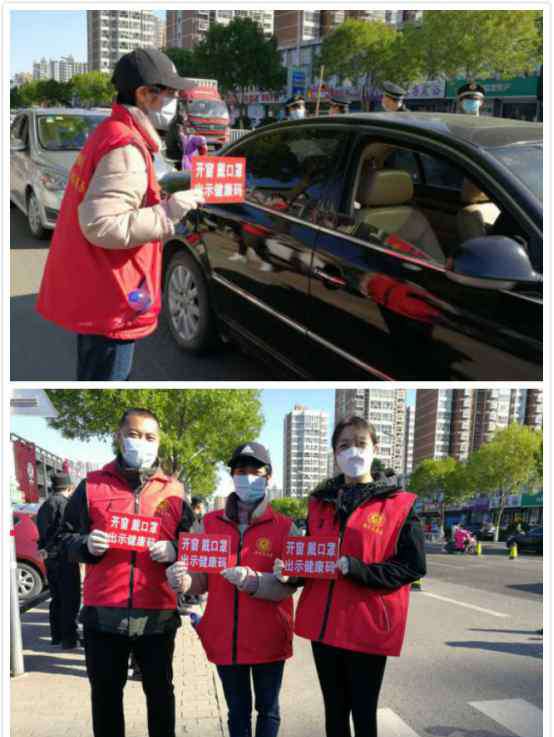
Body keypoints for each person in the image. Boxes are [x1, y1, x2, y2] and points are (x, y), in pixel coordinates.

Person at [36, 49, 205, 381]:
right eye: (170, 93)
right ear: (144, 94)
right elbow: (102, 224)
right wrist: (169, 211)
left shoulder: (111, 132)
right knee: (106, 379)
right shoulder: (125, 146)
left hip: (99, 289)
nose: (174, 101)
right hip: (111, 298)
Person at [275, 415, 426, 737]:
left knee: (363, 712)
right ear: (334, 454)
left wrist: (357, 568)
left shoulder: (400, 504)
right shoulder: (320, 503)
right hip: (324, 627)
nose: (353, 451)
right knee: (334, 710)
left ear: (375, 448)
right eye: (344, 445)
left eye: (360, 443)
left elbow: (412, 566)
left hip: (367, 626)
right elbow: (315, 560)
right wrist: (292, 574)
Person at [61, 408, 194, 737]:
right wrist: (85, 545)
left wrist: (177, 551)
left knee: (161, 695)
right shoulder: (91, 486)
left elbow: (194, 544)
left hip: (157, 617)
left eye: (150, 437)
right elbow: (61, 539)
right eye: (134, 435)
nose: (141, 443)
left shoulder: (175, 491)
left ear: (159, 442)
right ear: (118, 437)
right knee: (106, 698)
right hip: (103, 616)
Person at [166, 442, 299, 737]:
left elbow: (291, 585)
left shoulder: (285, 527)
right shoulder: (208, 523)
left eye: (255, 470)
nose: (247, 476)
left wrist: (256, 582)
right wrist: (184, 581)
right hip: (226, 638)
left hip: (269, 637)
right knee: (237, 713)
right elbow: (201, 578)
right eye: (241, 470)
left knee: (268, 711)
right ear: (232, 475)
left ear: (268, 477)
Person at [36, 471, 81, 648]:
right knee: (70, 599)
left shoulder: (44, 505)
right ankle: (70, 639)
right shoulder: (65, 505)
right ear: (69, 488)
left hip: (50, 559)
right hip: (64, 558)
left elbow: (42, 533)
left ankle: (57, 636)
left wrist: (44, 548)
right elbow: (66, 532)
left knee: (56, 599)